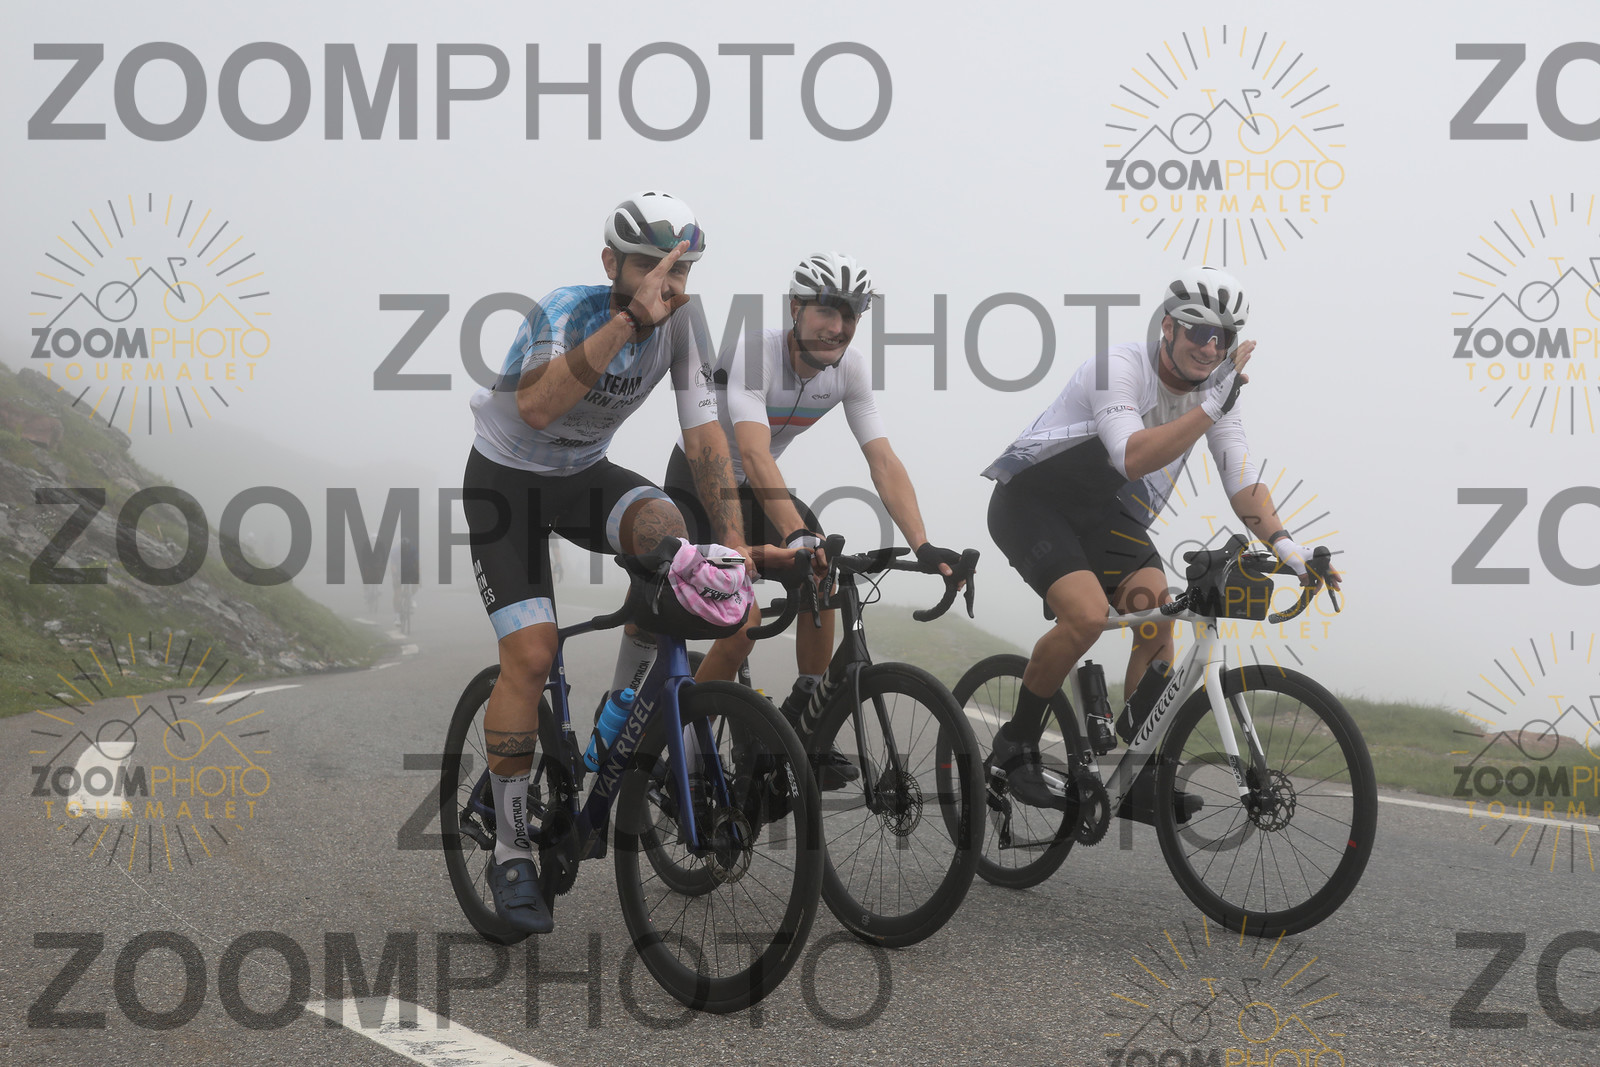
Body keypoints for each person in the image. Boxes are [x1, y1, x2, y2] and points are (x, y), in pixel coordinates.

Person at [461, 190, 755, 934]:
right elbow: (538, 407)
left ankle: (620, 720)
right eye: (654, 267)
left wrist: (734, 543)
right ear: (610, 264)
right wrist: (628, 321)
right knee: (532, 656)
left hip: (583, 476)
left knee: (673, 535)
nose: (669, 283)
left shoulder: (685, 323)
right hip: (506, 484)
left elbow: (705, 437)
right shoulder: (567, 309)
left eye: (681, 269)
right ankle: (509, 851)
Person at [980, 265, 1341, 810]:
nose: (1210, 347)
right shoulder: (1119, 368)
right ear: (1168, 327)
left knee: (1156, 613)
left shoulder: (1217, 395)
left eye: (1224, 337)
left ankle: (1135, 774)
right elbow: (1130, 456)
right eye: (1199, 331)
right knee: (1087, 617)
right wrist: (1211, 406)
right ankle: (1014, 747)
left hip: (1100, 510)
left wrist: (1288, 549)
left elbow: (1242, 482)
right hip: (1031, 500)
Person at [664, 252, 962, 787]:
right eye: (827, 310)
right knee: (741, 624)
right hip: (701, 481)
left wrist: (923, 544)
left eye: (850, 315)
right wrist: (797, 533)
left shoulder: (850, 369)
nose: (838, 327)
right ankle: (683, 748)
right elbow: (753, 454)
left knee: (823, 572)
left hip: (757, 489)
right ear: (795, 308)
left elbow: (882, 460)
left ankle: (805, 723)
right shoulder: (756, 352)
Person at [390, 534, 420, 628]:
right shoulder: (395, 551)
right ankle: (397, 617)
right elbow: (393, 565)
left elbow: (416, 564)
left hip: (409, 570)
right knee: (397, 593)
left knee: (415, 585)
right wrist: (395, 575)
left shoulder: (413, 550)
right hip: (398, 571)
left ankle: (410, 598)